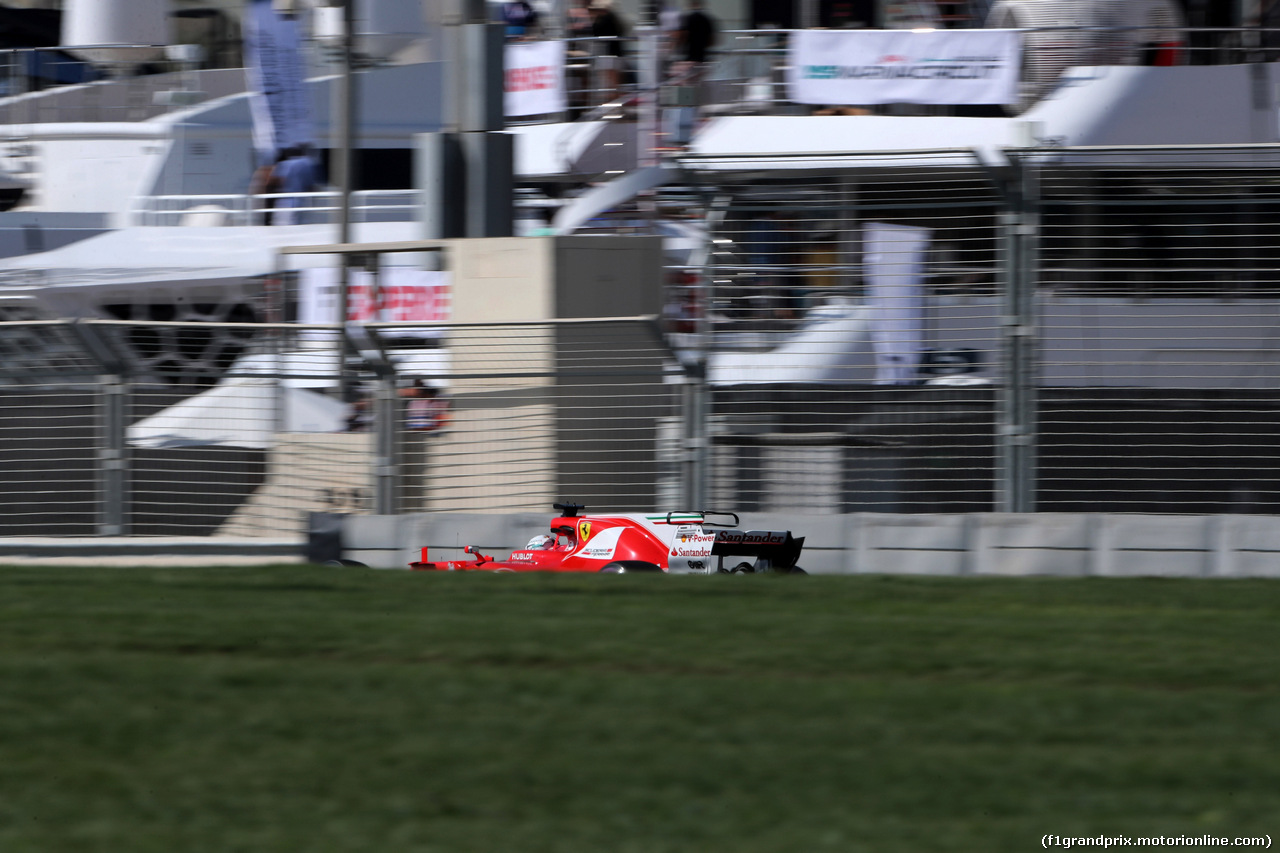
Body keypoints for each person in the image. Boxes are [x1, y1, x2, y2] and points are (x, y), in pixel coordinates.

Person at [588, 0, 629, 98]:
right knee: (614, 85)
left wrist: (594, 20)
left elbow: (595, 32)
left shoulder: (605, 19)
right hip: (615, 54)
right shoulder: (614, 19)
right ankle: (616, 106)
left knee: (609, 85)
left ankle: (614, 106)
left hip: (608, 56)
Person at [270, 144, 317, 225]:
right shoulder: (307, 163)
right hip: (299, 202)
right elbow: (311, 184)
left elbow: (277, 181)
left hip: (285, 201)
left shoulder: (285, 164)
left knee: (282, 227)